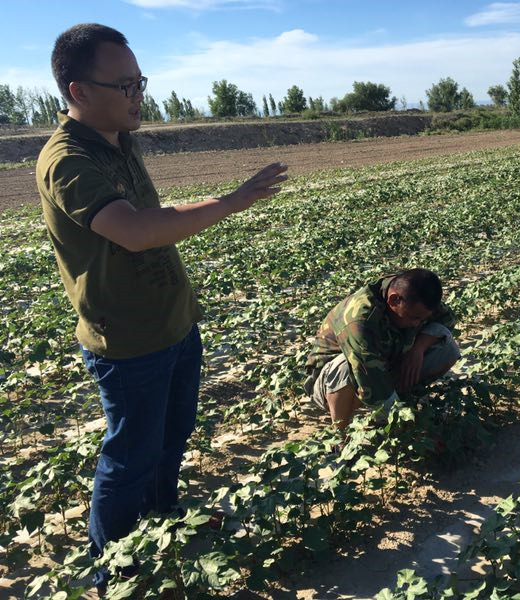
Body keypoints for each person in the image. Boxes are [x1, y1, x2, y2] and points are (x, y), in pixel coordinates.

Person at [36, 23, 288, 592]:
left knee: (170, 439)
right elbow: (135, 231)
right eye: (125, 85)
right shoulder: (67, 161)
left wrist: (223, 199)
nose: (137, 96)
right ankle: (114, 567)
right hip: (127, 341)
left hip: (175, 323)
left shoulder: (121, 142)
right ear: (79, 91)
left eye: (139, 82)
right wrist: (234, 199)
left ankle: (163, 517)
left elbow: (157, 210)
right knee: (128, 457)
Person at [305, 269, 461, 432]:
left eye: (422, 319)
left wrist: (418, 349)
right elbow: (370, 378)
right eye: (413, 318)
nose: (417, 324)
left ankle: (405, 399)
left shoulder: (416, 297)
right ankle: (338, 436)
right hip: (332, 382)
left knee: (447, 349)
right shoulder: (360, 320)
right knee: (345, 366)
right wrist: (404, 421)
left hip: (384, 364)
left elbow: (447, 319)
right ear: (394, 300)